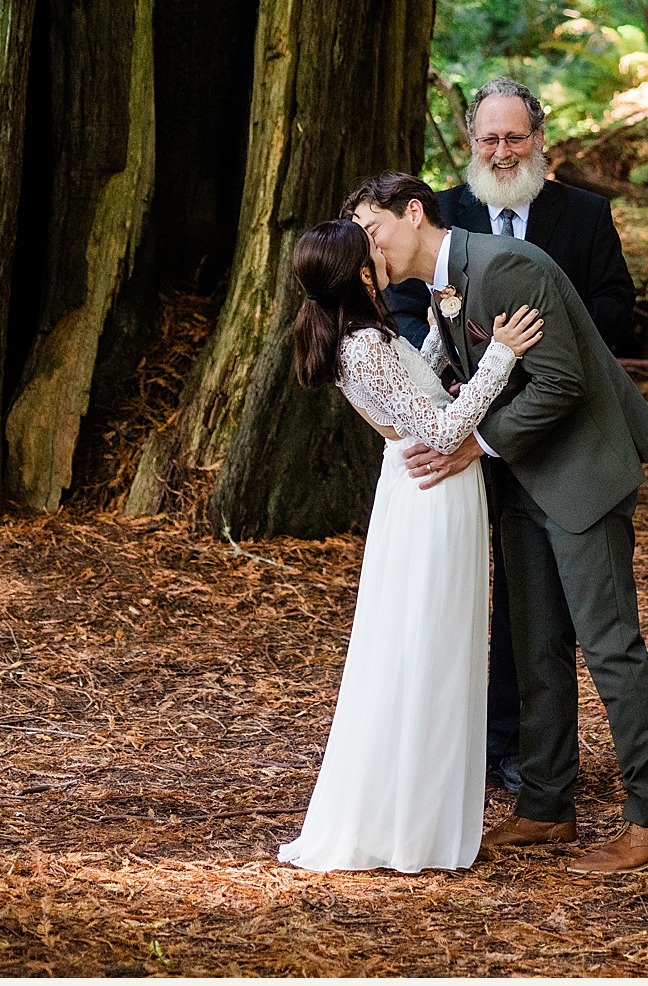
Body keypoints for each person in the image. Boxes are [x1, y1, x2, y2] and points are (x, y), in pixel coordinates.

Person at [349, 172, 648, 876]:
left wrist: (474, 443)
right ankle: (545, 805)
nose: (368, 245)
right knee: (535, 644)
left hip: (580, 473)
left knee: (609, 646)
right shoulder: (446, 284)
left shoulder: (504, 266)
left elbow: (562, 380)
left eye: (372, 227)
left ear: (413, 213)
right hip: (523, 481)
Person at [384, 77, 637, 793]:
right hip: (464, 426)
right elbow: (405, 305)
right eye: (489, 139)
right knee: (474, 586)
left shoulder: (584, 213)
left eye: (515, 137)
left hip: (554, 429)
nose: (502, 151)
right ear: (471, 142)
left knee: (540, 597)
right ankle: (482, 745)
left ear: (539, 140)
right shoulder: (438, 212)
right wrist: (452, 370)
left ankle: (535, 755)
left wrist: (555, 346)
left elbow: (618, 301)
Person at [273, 219, 546, 874]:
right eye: (371, 256)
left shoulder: (361, 338)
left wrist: (431, 331)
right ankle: (410, 826)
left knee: (425, 642)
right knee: (428, 645)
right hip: (430, 495)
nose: (382, 259)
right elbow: (445, 427)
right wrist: (501, 354)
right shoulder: (361, 344)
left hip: (418, 490)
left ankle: (415, 811)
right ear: (358, 274)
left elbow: (414, 392)